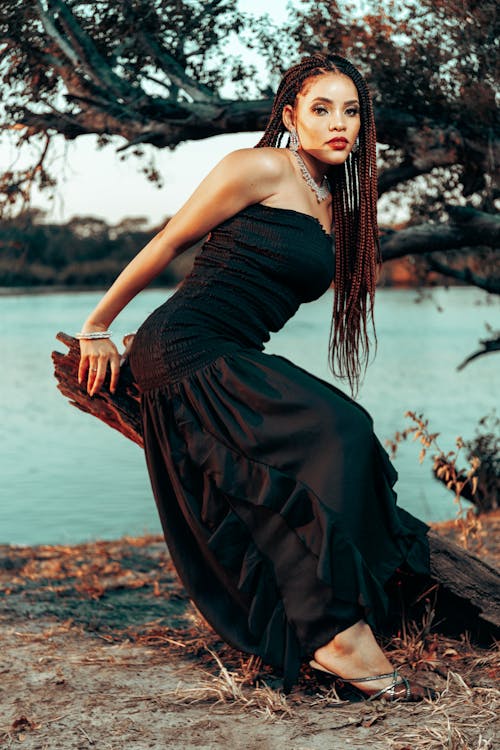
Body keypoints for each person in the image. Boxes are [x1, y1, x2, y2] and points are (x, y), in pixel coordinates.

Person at [77, 53, 436, 702]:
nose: (339, 124)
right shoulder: (261, 166)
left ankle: (332, 625)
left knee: (342, 436)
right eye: (322, 108)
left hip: (231, 350)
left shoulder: (339, 200)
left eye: (352, 111)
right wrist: (97, 326)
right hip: (183, 346)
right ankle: (332, 635)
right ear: (290, 113)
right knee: (339, 430)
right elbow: (167, 243)